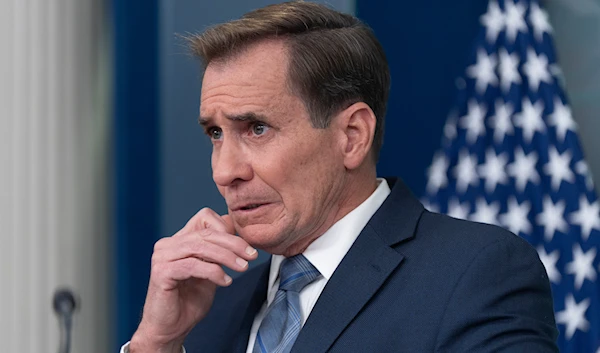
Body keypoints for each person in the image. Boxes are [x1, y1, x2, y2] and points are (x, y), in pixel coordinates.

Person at [122, 1, 558, 352]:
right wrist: (156, 344)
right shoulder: (210, 312)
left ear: (352, 136)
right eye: (216, 133)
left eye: (256, 128)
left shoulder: (474, 273)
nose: (224, 172)